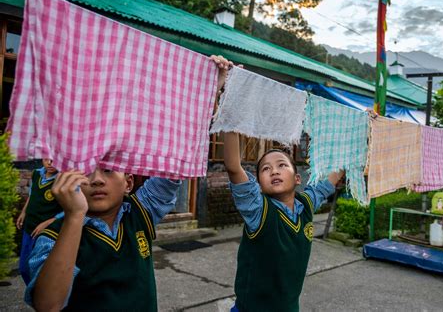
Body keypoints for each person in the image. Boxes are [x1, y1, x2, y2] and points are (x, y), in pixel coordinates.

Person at [24, 55, 230, 311]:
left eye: (110, 171)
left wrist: (211, 91)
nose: (97, 179)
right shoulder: (54, 233)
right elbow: (48, 304)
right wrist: (74, 217)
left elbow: (179, 156)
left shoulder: (141, 213)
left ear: (129, 182)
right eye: (87, 171)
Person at [223, 130, 344, 310]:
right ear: (259, 183)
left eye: (281, 165)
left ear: (297, 179)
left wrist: (358, 136)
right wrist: (230, 119)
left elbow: (329, 181)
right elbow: (233, 166)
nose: (274, 171)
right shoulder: (258, 210)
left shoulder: (306, 204)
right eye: (266, 169)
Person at [16, 158, 59, 285]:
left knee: (41, 269)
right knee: (24, 268)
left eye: (54, 159)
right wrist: (24, 212)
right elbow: (32, 194)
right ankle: (36, 296)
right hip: (29, 227)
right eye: (47, 159)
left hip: (46, 233)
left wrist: (47, 223)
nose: (50, 163)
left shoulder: (62, 181)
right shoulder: (36, 173)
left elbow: (67, 210)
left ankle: (45, 299)